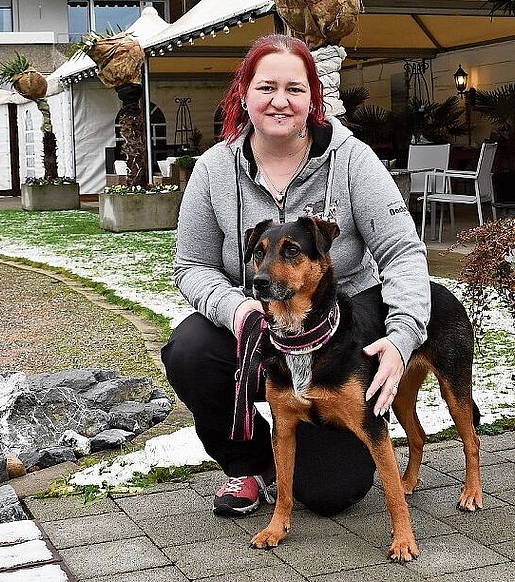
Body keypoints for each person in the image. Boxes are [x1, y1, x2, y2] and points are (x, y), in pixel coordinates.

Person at [161, 34, 431, 517]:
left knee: (330, 494)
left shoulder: (351, 159)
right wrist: (237, 308)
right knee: (190, 350)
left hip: (339, 323)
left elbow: (402, 250)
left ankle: (317, 433)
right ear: (243, 94)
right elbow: (191, 265)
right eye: (266, 87)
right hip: (257, 317)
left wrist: (403, 334)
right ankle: (251, 464)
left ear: (313, 98)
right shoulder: (214, 169)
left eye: (295, 89)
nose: (280, 101)